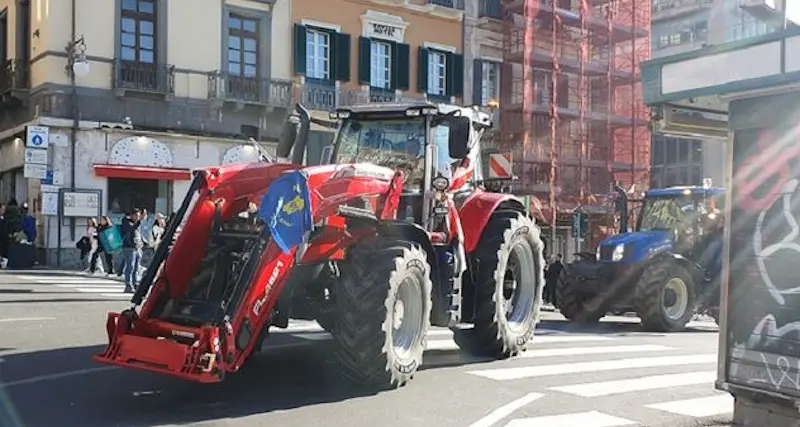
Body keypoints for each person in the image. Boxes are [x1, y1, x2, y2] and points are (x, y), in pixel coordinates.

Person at [120, 208, 147, 293]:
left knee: (136, 267)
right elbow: (131, 229)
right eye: (136, 216)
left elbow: (138, 233)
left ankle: (135, 284)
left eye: (139, 216)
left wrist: (144, 242)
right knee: (130, 267)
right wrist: (140, 221)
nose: (138, 217)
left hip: (137, 247)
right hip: (129, 247)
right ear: (132, 215)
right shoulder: (126, 221)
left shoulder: (136, 223)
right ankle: (128, 285)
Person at [0, 203, 8, 269]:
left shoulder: (4, 218)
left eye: (4, 209)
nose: (3, 211)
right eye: (2, 209)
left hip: (4, 238)